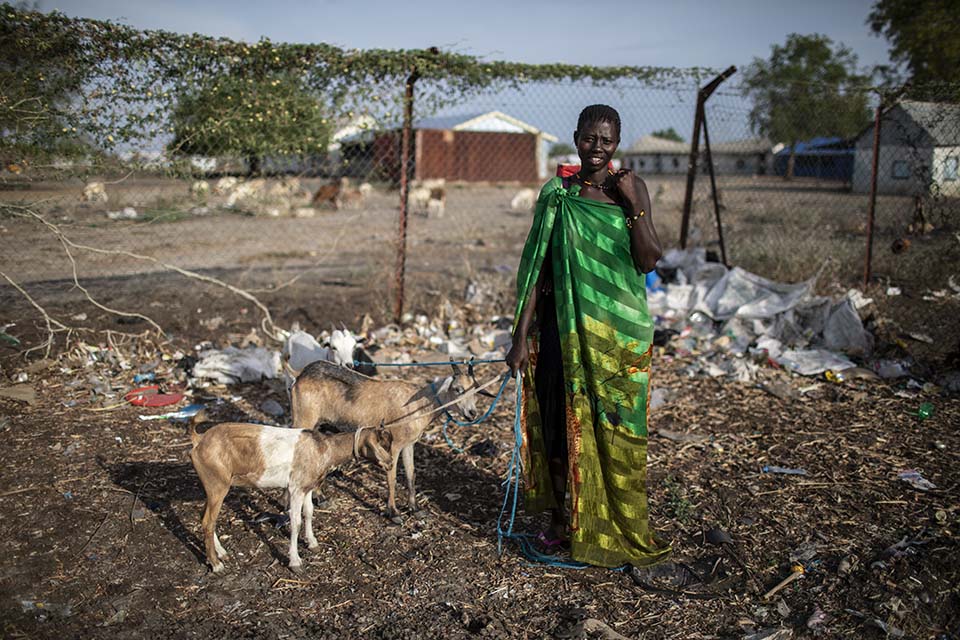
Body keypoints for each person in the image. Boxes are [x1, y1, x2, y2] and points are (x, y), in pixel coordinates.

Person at [505, 104, 671, 569]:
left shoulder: (630, 190)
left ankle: (617, 520)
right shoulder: (558, 194)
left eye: (607, 140)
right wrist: (520, 337)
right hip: (561, 331)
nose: (597, 148)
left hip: (618, 337)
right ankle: (565, 524)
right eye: (589, 139)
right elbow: (536, 269)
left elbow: (648, 259)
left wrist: (633, 203)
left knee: (615, 427)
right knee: (561, 427)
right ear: (576, 137)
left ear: (617, 143)